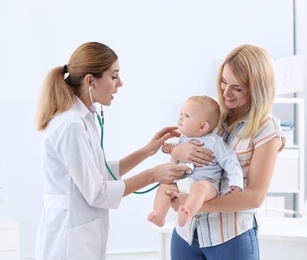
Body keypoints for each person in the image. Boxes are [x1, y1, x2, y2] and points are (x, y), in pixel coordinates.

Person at [34, 42, 189, 260]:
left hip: (81, 237)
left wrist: (147, 150)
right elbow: (97, 192)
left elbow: (100, 173)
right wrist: (153, 175)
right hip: (68, 245)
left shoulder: (83, 118)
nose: (120, 83)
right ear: (90, 81)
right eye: (114, 76)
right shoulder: (71, 125)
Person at [166, 44, 286, 260]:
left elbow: (254, 197)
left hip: (229, 238)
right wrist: (178, 153)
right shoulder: (213, 118)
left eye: (237, 88)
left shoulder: (266, 128)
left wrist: (194, 205)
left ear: (256, 88)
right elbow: (179, 168)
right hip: (187, 235)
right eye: (223, 81)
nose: (226, 92)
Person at [147, 95, 243, 227]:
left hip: (207, 184)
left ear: (203, 127)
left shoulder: (215, 142)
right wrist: (170, 149)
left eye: (187, 116)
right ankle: (159, 214)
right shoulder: (183, 139)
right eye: (181, 113)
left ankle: (187, 212)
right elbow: (175, 152)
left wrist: (236, 182)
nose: (180, 118)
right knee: (164, 187)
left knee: (200, 188)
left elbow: (231, 161)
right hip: (182, 182)